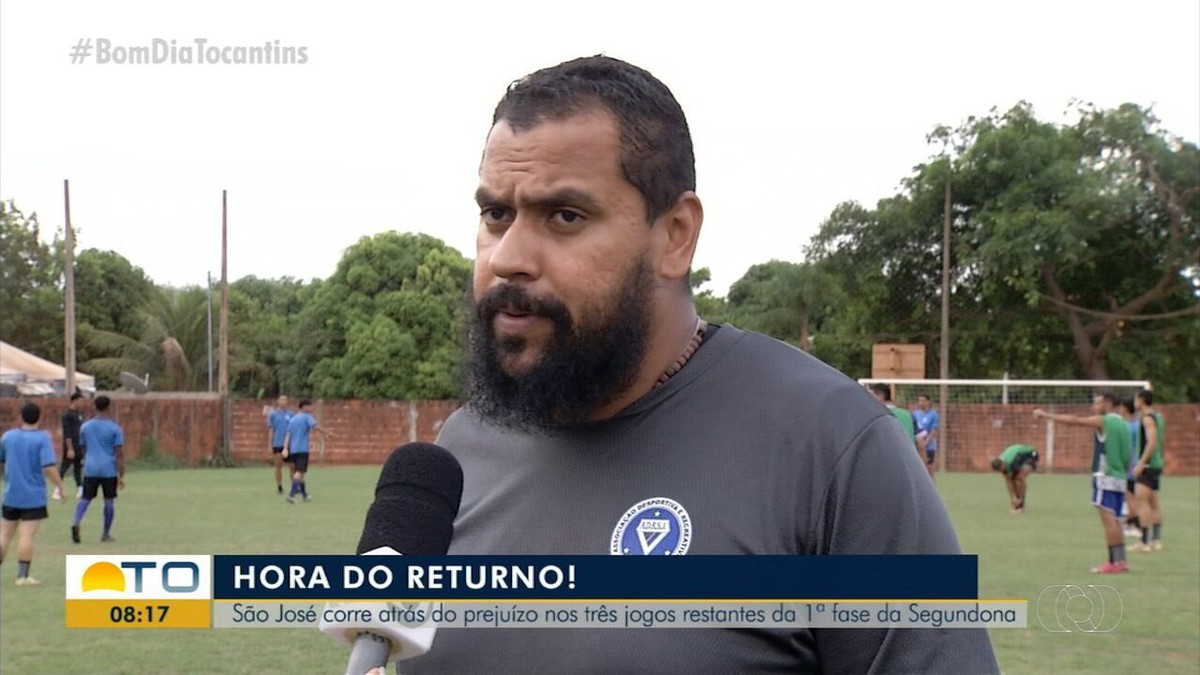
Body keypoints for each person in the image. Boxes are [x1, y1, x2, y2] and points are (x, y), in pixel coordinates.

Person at [395, 55, 998, 674]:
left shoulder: (830, 446)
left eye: (565, 216)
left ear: (676, 234)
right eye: (497, 214)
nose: (509, 257)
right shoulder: (458, 451)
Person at [1034, 393, 1133, 574]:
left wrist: (1047, 415)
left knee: (1108, 520)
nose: (1094, 407)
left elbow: (1074, 421)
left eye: (1097, 403)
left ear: (1108, 404)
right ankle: (1121, 561)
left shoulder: (1104, 421)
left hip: (1104, 475)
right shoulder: (1125, 425)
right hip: (1120, 477)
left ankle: (1113, 562)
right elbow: (1128, 455)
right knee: (1117, 520)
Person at [1, 402, 69, 586]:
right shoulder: (42, 438)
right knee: (26, 535)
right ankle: (23, 576)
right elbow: (49, 466)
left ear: (20, 416)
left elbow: (2, 460)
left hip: (11, 494)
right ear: (39, 417)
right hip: (33, 495)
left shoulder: (8, 437)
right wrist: (60, 487)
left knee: (4, 535)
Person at [72, 395, 125, 544]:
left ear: (94, 407)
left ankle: (76, 521)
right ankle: (106, 533)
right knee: (109, 501)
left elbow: (83, 448)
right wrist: (121, 474)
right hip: (108, 469)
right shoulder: (115, 428)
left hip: (91, 468)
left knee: (85, 499)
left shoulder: (85, 427)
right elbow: (119, 454)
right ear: (109, 408)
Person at [1132, 389, 1165, 552]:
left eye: (1136, 399)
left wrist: (1141, 464)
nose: (1134, 402)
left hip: (1148, 466)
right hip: (1157, 464)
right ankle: (1156, 540)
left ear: (1142, 400)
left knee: (1141, 502)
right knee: (1154, 502)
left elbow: (1151, 442)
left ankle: (1144, 542)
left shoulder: (1147, 419)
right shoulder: (1158, 416)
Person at [282, 399, 330, 504]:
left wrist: (285, 448)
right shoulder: (307, 417)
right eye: (309, 406)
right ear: (303, 407)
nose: (311, 408)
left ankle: (305, 495)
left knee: (300, 473)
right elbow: (315, 427)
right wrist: (327, 433)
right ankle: (291, 495)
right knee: (299, 472)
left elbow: (288, 435)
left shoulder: (293, 419)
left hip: (293, 450)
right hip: (302, 449)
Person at [868, 383, 921, 457]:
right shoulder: (908, 414)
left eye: (870, 396)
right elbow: (921, 442)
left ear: (880, 396)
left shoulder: (877, 415)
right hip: (909, 460)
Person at [54, 392, 87, 501]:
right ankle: (57, 489)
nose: (82, 403)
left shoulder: (79, 414)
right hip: (71, 445)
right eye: (81, 401)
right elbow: (67, 433)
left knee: (78, 467)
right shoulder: (67, 415)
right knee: (64, 467)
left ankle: (80, 489)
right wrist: (70, 448)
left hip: (79, 445)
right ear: (74, 401)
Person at [990, 444, 1038, 513]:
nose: (1003, 471)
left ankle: (1021, 503)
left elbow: (1019, 478)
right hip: (1017, 458)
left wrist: (1020, 499)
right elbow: (1008, 480)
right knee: (1010, 477)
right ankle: (1017, 503)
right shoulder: (1001, 463)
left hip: (1031, 455)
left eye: (1002, 469)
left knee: (1019, 477)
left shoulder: (1012, 461)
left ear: (1003, 464)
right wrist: (1013, 497)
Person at [267, 395, 293, 495]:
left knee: (292, 466)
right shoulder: (273, 414)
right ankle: (279, 487)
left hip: (289, 444)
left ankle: (293, 487)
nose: (283, 401)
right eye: (281, 399)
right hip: (277, 443)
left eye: (285, 400)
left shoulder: (291, 414)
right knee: (278, 466)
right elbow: (271, 430)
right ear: (278, 401)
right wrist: (270, 444)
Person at [912, 393, 940, 479]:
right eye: (919, 401)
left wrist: (925, 443)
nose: (921, 403)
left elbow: (934, 431)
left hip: (929, 447)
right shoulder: (915, 414)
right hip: (917, 446)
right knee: (916, 470)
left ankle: (933, 491)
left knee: (929, 470)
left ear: (928, 402)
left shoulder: (933, 414)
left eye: (923, 400)